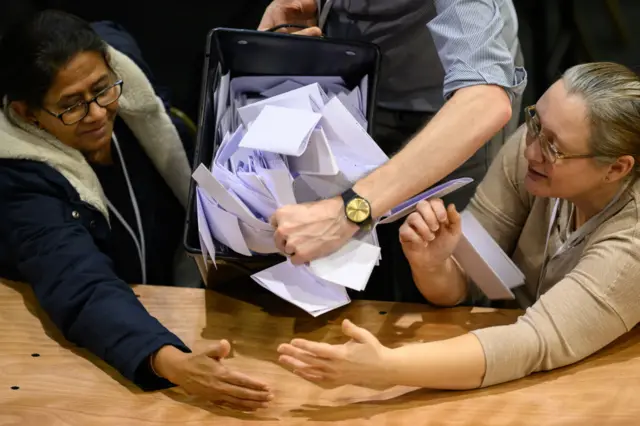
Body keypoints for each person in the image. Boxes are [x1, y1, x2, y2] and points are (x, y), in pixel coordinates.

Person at [276, 62, 640, 389]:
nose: (530, 149)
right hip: (513, 364)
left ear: (616, 168)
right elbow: (476, 281)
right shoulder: (535, 157)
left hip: (588, 385)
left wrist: (387, 369)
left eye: (553, 148)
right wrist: (435, 265)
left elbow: (534, 343)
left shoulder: (632, 243)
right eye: (535, 124)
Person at [0, 11, 272, 410]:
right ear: (27, 113)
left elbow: (111, 34)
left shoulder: (126, 89)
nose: (96, 113)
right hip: (116, 333)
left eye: (101, 89)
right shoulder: (19, 185)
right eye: (70, 106)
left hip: (185, 298)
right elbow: (82, 286)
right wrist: (171, 362)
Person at [261, 0, 527, 302]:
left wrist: (347, 212)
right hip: (357, 84)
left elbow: (486, 101)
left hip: (451, 109)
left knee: (454, 282)